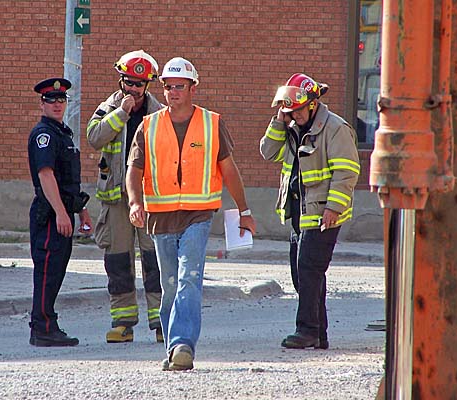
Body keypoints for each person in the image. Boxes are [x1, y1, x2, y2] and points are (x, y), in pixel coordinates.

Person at [126, 57, 256, 371]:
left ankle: (183, 345)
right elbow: (134, 169)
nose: (173, 92)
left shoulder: (211, 123)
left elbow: (229, 169)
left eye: (179, 86)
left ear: (193, 88)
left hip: (198, 215)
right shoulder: (149, 125)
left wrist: (245, 210)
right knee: (169, 284)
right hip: (161, 217)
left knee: (189, 278)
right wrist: (134, 202)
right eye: (168, 87)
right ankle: (173, 346)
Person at [260, 73, 360, 350]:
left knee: (308, 269)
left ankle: (306, 330)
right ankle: (320, 334)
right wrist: (279, 121)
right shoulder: (290, 126)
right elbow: (268, 152)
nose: (296, 115)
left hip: (323, 213)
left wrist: (333, 208)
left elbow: (347, 172)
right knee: (303, 273)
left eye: (299, 109)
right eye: (290, 110)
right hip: (299, 213)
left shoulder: (335, 128)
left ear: (313, 104)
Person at [86, 50, 164, 343]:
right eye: (128, 82)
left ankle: (160, 322)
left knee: (154, 259)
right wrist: (121, 113)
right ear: (121, 80)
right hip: (116, 198)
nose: (132, 89)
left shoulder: (159, 112)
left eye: (138, 84)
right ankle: (123, 323)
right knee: (118, 260)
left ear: (148, 85)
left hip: (149, 199)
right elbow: (94, 137)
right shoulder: (109, 106)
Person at [28, 77, 93, 346]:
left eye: (61, 99)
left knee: (56, 270)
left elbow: (68, 181)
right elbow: (46, 176)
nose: (57, 104)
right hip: (50, 215)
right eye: (51, 100)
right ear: (42, 103)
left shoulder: (61, 134)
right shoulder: (44, 135)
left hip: (63, 211)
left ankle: (48, 324)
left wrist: (82, 210)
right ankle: (42, 328)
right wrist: (61, 214)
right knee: (47, 270)